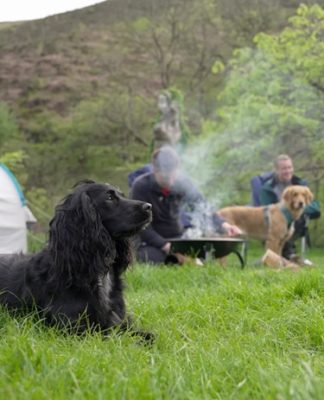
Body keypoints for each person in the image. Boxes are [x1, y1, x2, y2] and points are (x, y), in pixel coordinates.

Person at [129, 146, 242, 264]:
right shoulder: (140, 187)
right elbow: (142, 226)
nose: (171, 181)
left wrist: (224, 225)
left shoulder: (183, 183)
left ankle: (180, 257)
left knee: (198, 252)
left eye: (174, 176)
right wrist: (165, 246)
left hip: (178, 239)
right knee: (152, 257)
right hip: (150, 243)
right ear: (155, 171)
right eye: (166, 177)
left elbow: (202, 206)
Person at [260, 154, 320, 261]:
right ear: (276, 170)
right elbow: (264, 210)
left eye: (289, 167)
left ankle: (286, 255)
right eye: (284, 168)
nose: (288, 171)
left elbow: (316, 208)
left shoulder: (301, 184)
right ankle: (288, 255)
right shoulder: (268, 188)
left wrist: (299, 206)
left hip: (296, 225)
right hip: (274, 227)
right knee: (283, 218)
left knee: (296, 215)